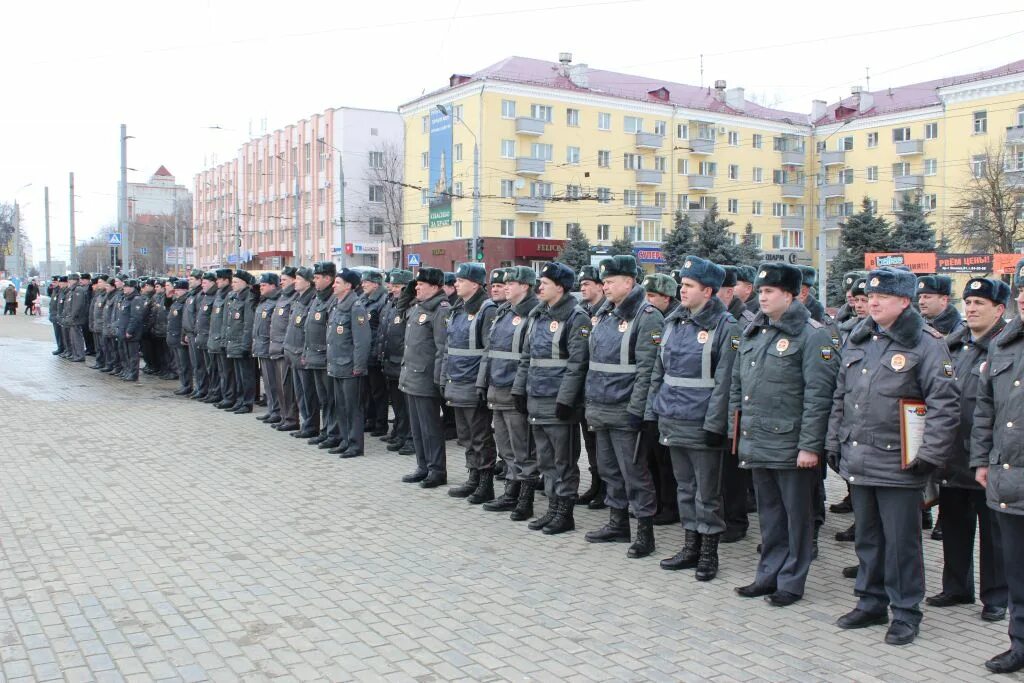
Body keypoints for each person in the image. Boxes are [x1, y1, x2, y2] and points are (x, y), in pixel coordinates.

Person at [827, 267, 959, 646]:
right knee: (868, 538)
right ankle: (870, 601)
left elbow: (945, 405)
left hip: (901, 462)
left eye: (882, 296)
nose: (873, 302)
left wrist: (928, 456)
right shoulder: (859, 336)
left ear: (904, 301)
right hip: (859, 458)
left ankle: (905, 612)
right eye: (870, 296)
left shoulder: (926, 343)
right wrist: (834, 440)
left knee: (901, 544)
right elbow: (841, 394)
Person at [730, 262, 838, 605]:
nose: (762, 297)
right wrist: (737, 429)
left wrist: (810, 447)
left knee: (797, 518)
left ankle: (791, 581)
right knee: (770, 516)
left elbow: (818, 396)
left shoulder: (812, 333)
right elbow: (739, 384)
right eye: (760, 291)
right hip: (758, 438)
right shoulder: (756, 331)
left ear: (790, 295)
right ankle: (768, 574)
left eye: (769, 291)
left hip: (792, 444)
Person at [646, 257, 737, 580]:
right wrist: (652, 411)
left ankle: (709, 552)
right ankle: (690, 545)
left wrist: (716, 424)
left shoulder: (725, 327)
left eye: (688, 286)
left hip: (702, 423)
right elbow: (660, 371)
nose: (681, 290)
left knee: (706, 492)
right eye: (682, 285)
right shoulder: (674, 322)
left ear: (708, 291)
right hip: (673, 417)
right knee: (684, 488)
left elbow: (726, 381)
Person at [927, 277, 1010, 623]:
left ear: (1000, 309)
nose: (972, 309)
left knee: (994, 536)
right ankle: (957, 586)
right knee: (956, 527)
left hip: (989, 459)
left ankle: (996, 596)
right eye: (969, 303)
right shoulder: (954, 346)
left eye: (980, 304)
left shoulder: (1006, 347)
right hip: (953, 456)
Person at [584, 255, 662, 556]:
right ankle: (617, 523)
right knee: (608, 469)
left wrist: (638, 410)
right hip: (601, 405)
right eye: (603, 281)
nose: (605, 286)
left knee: (635, 473)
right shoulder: (605, 314)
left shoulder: (647, 315)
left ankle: (645, 531)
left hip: (626, 408)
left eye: (611, 281)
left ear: (629, 282)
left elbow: (648, 370)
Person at [971, 258, 1024, 674]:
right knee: (1017, 573)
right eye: (1022, 291)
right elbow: (985, 409)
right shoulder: (1004, 345)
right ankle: (1019, 644)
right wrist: (981, 460)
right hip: (1007, 479)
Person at [512, 262, 590, 534]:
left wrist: (566, 400)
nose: (539, 287)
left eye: (544, 283)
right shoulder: (538, 315)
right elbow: (527, 358)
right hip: (537, 397)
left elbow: (578, 363)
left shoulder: (576, 317)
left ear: (560, 286)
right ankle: (553, 509)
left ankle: (565, 513)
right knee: (545, 460)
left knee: (564, 461)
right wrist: (519, 390)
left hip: (558, 402)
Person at [480, 266, 540, 517]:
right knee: (505, 447)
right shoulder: (503, 312)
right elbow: (490, 350)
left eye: (510, 283)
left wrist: (520, 389)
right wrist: (483, 382)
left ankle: (525, 500)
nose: (504, 286)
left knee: (522, 449)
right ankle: (510, 492)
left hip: (515, 389)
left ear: (525, 286)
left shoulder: (533, 314)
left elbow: (529, 357)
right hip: (497, 387)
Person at [442, 262, 499, 503]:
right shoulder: (458, 309)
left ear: (475, 284)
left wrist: (481, 383)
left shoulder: (487, 310)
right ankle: (473, 477)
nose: (456, 284)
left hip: (472, 382)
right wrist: (445, 377)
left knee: (480, 436)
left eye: (461, 280)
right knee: (465, 436)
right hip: (457, 380)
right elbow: (449, 348)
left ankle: (485, 484)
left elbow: (488, 350)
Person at [400, 267, 451, 487]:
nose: (417, 287)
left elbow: (442, 348)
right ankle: (423, 466)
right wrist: (409, 290)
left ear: (435, 287)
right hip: (411, 376)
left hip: (427, 378)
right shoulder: (418, 307)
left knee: (430, 428)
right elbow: (401, 308)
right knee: (418, 428)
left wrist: (439, 379)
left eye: (421, 284)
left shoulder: (441, 310)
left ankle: (436, 469)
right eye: (416, 284)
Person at [640, 272, 681, 527]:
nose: (647, 300)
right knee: (652, 458)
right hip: (655, 401)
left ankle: (670, 506)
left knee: (667, 462)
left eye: (652, 295)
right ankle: (659, 503)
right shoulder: (655, 318)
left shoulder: (673, 320)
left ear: (667, 297)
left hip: (672, 403)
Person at [327, 268, 372, 458]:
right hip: (337, 364)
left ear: (348, 286)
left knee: (353, 407)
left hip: (350, 366)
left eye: (337, 282)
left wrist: (359, 367)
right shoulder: (337, 305)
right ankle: (345, 440)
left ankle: (355, 445)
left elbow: (362, 341)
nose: (333, 285)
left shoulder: (356, 307)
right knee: (341, 406)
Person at [576, 265, 606, 509]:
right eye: (581, 284)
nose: (582, 288)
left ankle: (606, 487)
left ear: (600, 286)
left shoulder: (607, 313)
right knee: (590, 441)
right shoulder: (583, 312)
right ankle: (596, 483)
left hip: (601, 388)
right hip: (586, 389)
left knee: (601, 442)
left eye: (587, 283)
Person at [377, 270, 415, 454]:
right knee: (399, 406)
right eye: (392, 286)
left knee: (407, 407)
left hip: (402, 363)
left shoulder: (410, 307)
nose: (393, 289)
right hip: (391, 362)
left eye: (398, 287)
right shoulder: (391, 304)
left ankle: (409, 437)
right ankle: (400, 434)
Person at [304, 262, 339, 448]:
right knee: (323, 398)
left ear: (328, 278)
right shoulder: (317, 298)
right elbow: (308, 329)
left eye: (318, 278)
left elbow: (331, 333)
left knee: (331, 399)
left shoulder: (333, 299)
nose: (314, 281)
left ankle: (334, 433)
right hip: (315, 356)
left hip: (326, 357)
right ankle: (326, 430)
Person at [284, 267, 320, 438]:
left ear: (308, 281)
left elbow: (309, 330)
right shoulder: (299, 298)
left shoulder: (312, 299)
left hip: (302, 353)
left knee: (308, 393)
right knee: (300, 392)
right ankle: (306, 422)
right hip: (293, 352)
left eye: (298, 278)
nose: (295, 281)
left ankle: (311, 425)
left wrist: (304, 351)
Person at [266, 267, 299, 430]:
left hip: (285, 348)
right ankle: (285, 416)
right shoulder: (283, 297)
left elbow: (290, 326)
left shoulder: (294, 297)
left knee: (288, 388)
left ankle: (291, 419)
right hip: (276, 347)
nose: (281, 282)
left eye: (284, 279)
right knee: (280, 386)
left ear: (294, 280)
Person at [359, 270, 390, 438]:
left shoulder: (382, 301)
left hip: (375, 353)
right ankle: (369, 419)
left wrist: (377, 352)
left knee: (378, 391)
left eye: (367, 282)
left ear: (376, 284)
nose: (363, 285)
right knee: (367, 391)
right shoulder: (364, 300)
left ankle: (381, 423)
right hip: (365, 353)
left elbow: (381, 330)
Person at [253, 273, 283, 421]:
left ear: (273, 286)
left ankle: (277, 411)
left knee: (274, 382)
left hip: (270, 347)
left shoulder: (277, 301)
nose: (261, 287)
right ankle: (272, 409)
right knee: (268, 383)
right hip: (261, 346)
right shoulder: (264, 301)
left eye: (264, 285)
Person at [207, 268, 235, 408]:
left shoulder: (229, 295)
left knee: (227, 372)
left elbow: (227, 321)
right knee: (219, 370)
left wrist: (223, 339)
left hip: (223, 339)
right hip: (215, 338)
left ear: (226, 280)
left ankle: (229, 397)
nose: (217, 281)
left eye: (219, 279)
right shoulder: (220, 294)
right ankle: (222, 395)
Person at [195, 273, 220, 403]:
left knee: (213, 368)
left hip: (210, 338)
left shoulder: (215, 296)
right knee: (207, 367)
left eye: (205, 282)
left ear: (212, 283)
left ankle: (215, 392)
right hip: (202, 337)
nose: (202, 285)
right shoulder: (205, 296)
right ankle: (210, 391)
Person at [167, 278, 192, 396]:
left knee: (184, 364)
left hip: (180, 337)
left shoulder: (185, 301)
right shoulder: (176, 301)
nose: (175, 291)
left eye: (178, 289)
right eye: (175, 289)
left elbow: (185, 321)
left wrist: (184, 335)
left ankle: (187, 385)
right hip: (174, 336)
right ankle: (183, 384)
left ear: (185, 290)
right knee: (180, 364)